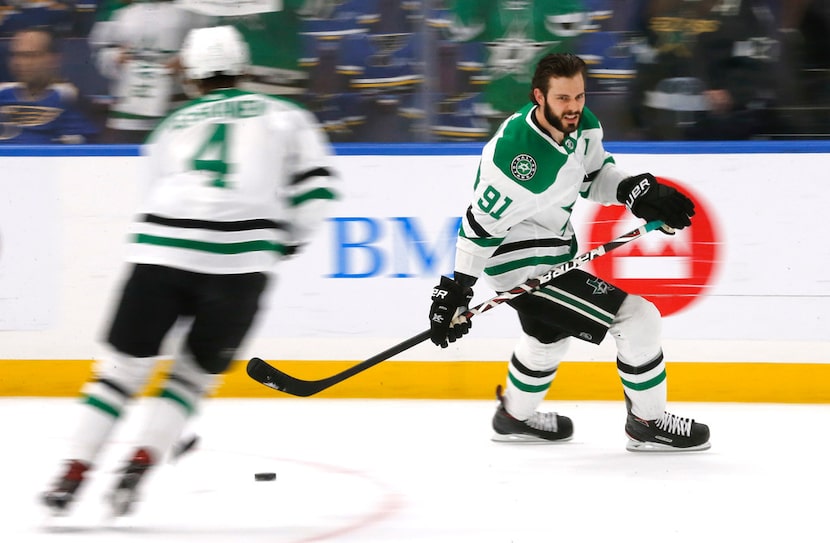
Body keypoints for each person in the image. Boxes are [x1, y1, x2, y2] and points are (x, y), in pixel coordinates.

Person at [41, 25, 338, 516]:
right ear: (244, 69)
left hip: (162, 254)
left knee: (119, 373)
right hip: (240, 265)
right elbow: (316, 194)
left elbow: (157, 193)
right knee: (190, 378)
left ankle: (71, 472)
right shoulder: (288, 117)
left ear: (193, 77)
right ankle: (137, 467)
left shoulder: (171, 124)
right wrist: (281, 245)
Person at [427, 52, 710, 452]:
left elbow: (593, 176)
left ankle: (514, 416)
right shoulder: (518, 158)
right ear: (538, 97)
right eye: (563, 98)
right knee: (638, 318)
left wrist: (633, 191)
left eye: (578, 96)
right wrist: (456, 289)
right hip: (516, 262)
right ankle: (647, 421)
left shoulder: (582, 124)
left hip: (555, 247)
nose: (574, 107)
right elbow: (478, 226)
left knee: (547, 338)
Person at [0, 27, 98, 144]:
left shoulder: (68, 98)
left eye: (31, 56)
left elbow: (77, 152)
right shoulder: (3, 94)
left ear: (53, 59)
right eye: (16, 55)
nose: (21, 62)